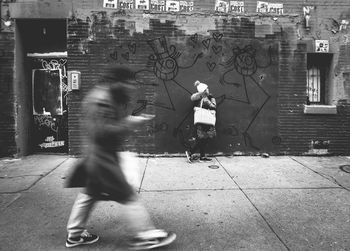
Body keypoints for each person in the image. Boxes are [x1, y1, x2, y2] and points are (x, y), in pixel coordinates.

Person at [64, 67, 176, 250]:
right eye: (129, 84)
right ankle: (144, 236)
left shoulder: (105, 95)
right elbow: (100, 131)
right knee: (127, 194)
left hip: (98, 156)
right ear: (117, 82)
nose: (131, 88)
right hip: (102, 158)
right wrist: (130, 123)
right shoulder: (102, 100)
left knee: (89, 194)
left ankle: (75, 235)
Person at [185, 80, 217, 163]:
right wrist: (212, 99)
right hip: (205, 122)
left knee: (203, 139)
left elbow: (193, 98)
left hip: (201, 121)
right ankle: (190, 152)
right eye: (207, 89)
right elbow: (213, 107)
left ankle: (202, 156)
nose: (208, 89)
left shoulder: (199, 97)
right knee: (204, 139)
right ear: (205, 91)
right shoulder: (206, 99)